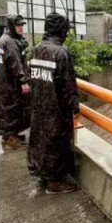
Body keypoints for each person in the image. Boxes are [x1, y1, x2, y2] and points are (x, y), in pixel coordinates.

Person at [27, 13, 79, 195]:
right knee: (57, 143)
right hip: (56, 109)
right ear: (61, 29)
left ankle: (43, 174)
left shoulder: (36, 49)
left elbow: (31, 77)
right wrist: (75, 106)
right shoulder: (61, 52)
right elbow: (68, 85)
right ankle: (54, 183)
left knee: (41, 140)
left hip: (38, 107)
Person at [0, 15, 30, 150]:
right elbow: (15, 64)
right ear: (11, 26)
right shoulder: (10, 42)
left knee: (6, 110)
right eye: (18, 25)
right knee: (12, 110)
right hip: (11, 83)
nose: (21, 28)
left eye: (22, 25)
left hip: (3, 82)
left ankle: (10, 135)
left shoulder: (2, 39)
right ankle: (11, 139)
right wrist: (23, 81)